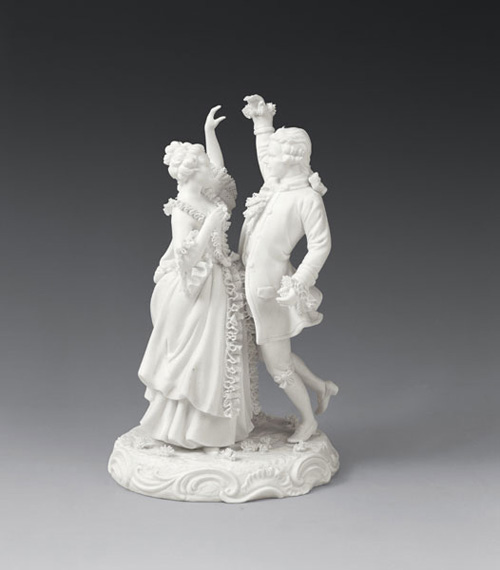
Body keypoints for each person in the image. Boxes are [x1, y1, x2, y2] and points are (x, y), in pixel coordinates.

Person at [138, 106, 259, 449]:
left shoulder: (207, 195)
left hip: (220, 282)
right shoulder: (182, 210)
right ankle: (188, 430)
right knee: (200, 360)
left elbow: (218, 168)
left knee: (221, 356)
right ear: (192, 175)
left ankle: (218, 429)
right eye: (204, 166)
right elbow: (186, 257)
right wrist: (210, 225)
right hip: (199, 289)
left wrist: (209, 133)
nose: (212, 170)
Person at [240, 94, 338, 443]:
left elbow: (321, 245)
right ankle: (321, 387)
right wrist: (261, 123)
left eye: (277, 155)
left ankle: (308, 420)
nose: (269, 160)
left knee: (278, 366)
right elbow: (265, 157)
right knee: (274, 354)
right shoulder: (276, 187)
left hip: (272, 290)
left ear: (294, 158)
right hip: (251, 283)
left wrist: (299, 282)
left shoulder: (306, 199)